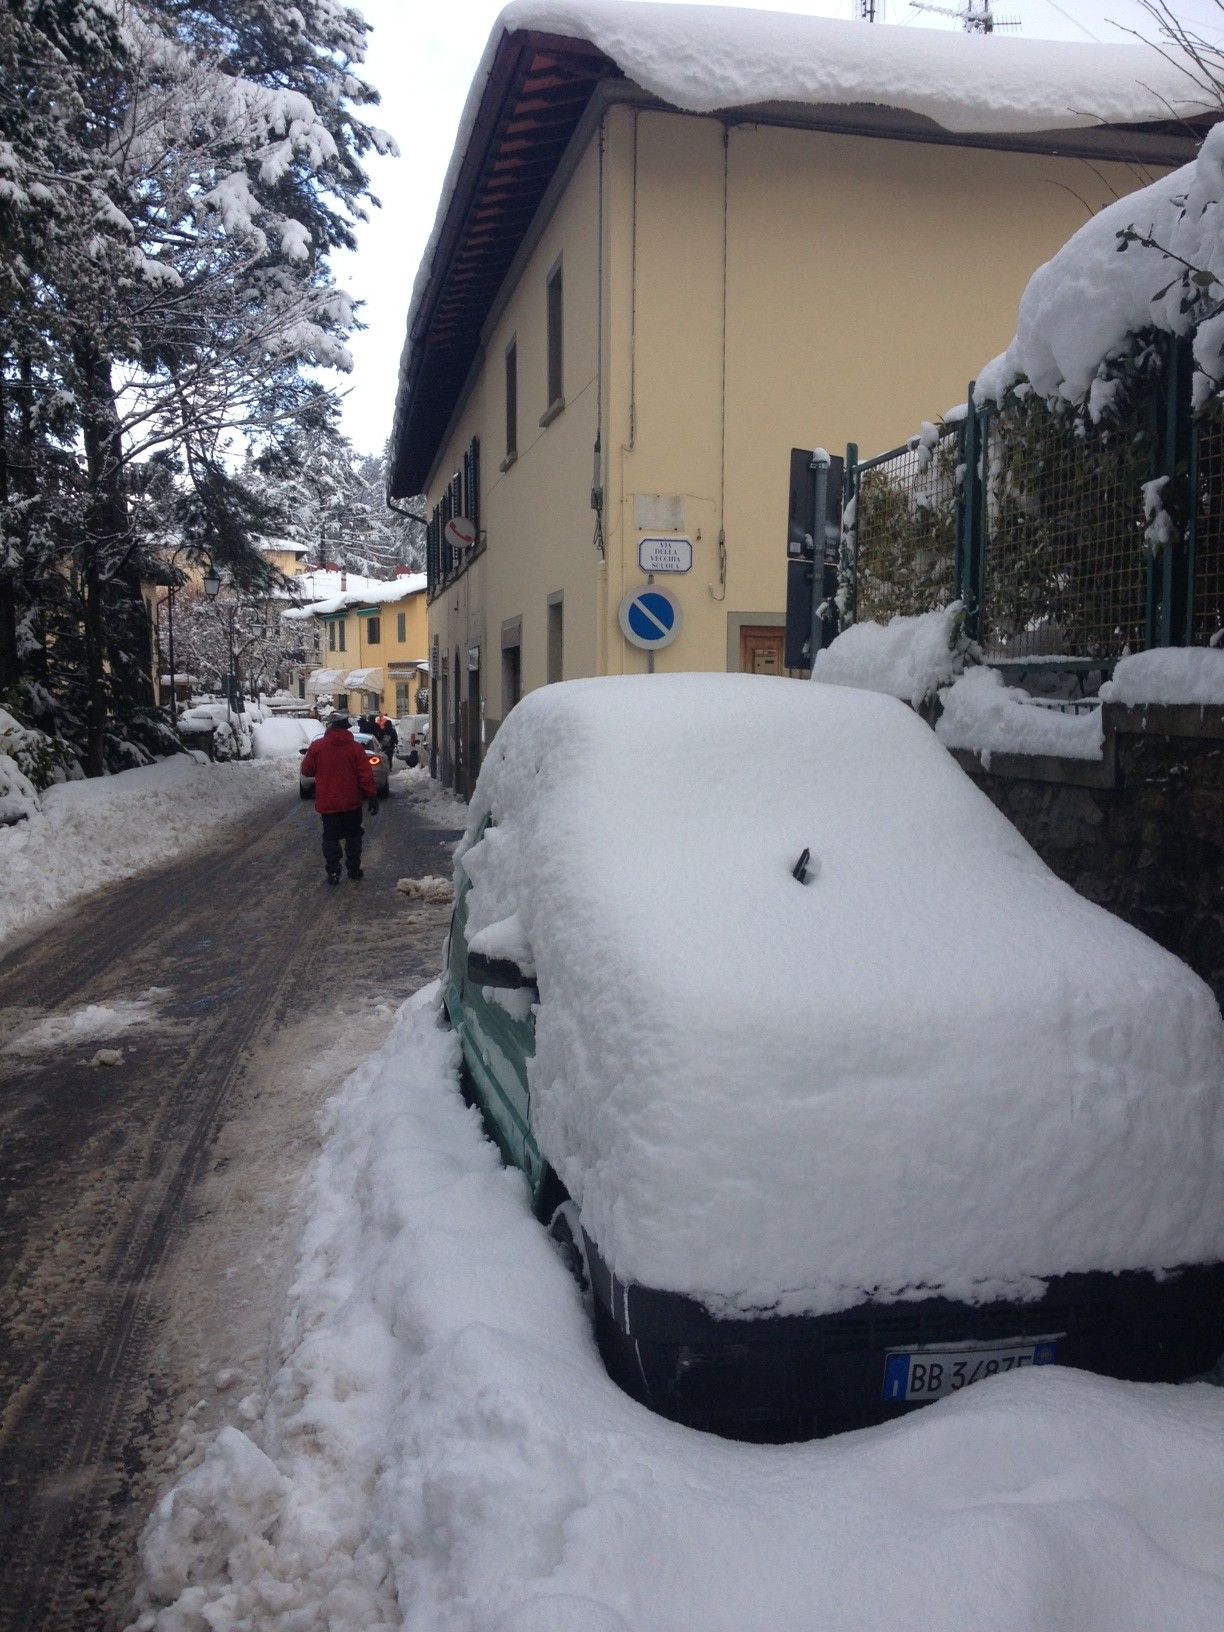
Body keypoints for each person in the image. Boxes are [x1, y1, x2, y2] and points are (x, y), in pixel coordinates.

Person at [300, 713, 378, 884]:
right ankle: (354, 869)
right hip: (351, 802)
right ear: (346, 728)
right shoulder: (356, 748)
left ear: (330, 727)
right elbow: (365, 775)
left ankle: (333, 871)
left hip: (328, 803)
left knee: (330, 837)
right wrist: (372, 796)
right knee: (353, 836)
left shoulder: (318, 747)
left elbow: (306, 770)